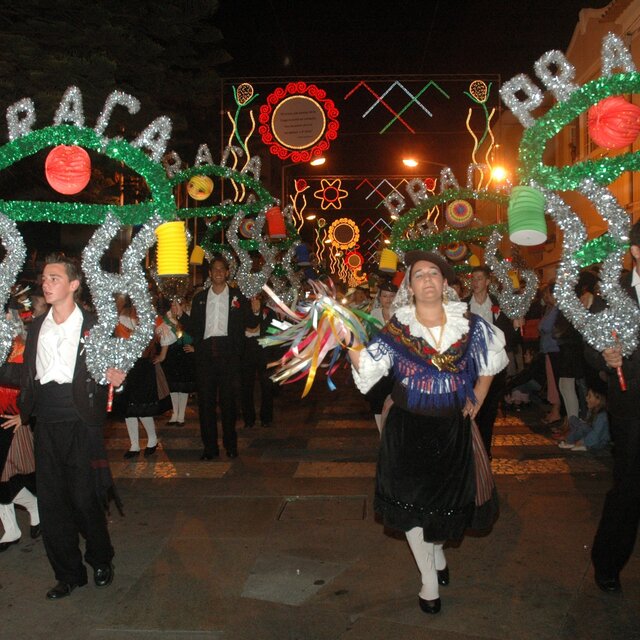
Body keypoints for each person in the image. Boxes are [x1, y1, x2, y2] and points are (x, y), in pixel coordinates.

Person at [348, 251, 507, 614]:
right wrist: (348, 341)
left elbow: (491, 360)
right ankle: (428, 579)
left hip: (451, 427)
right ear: (410, 287)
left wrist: (479, 397)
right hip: (407, 427)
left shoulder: (469, 324)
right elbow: (369, 370)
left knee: (443, 505)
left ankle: (436, 555)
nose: (427, 280)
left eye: (433, 273)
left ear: (445, 283)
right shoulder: (398, 330)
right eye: (418, 275)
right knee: (410, 506)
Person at [2, 254, 126, 600]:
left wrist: (117, 378)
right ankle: (68, 574)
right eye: (44, 278)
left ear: (73, 284)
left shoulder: (94, 325)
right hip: (45, 421)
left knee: (85, 498)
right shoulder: (36, 326)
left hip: (80, 421)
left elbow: (114, 369)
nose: (46, 284)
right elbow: (26, 373)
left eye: (54, 278)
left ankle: (100, 557)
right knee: (52, 502)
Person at [585, 220, 640, 594]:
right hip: (632, 404)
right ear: (636, 251)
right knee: (630, 485)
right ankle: (608, 562)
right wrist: (605, 355)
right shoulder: (614, 293)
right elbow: (590, 346)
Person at [172, 255, 257, 459]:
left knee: (229, 403)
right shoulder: (200, 298)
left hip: (229, 354)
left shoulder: (237, 297)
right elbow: (194, 328)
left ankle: (230, 445)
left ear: (227, 273)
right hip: (205, 354)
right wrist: (181, 315)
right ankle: (210, 448)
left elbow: (251, 323)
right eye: (215, 269)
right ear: (209, 274)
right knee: (206, 404)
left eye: (222, 269)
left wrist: (255, 311)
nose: (218, 272)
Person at [463, 265, 516, 457]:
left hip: (493, 367)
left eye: (479, 278)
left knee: (489, 410)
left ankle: (484, 452)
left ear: (487, 282)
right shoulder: (463, 305)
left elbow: (509, 334)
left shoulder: (499, 304)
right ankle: (469, 450)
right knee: (469, 408)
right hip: (470, 365)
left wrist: (516, 324)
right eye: (473, 278)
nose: (475, 282)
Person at [117, 298, 172, 459]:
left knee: (143, 407)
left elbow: (167, 336)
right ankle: (134, 445)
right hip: (126, 366)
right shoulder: (118, 316)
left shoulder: (150, 315)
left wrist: (162, 355)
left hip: (144, 366)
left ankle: (152, 440)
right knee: (129, 408)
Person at [240, 293, 278, 429]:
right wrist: (246, 329)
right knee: (246, 387)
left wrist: (260, 329)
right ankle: (248, 419)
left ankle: (266, 418)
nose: (254, 299)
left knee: (266, 386)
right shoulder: (241, 310)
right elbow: (235, 328)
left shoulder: (269, 311)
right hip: (246, 352)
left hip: (264, 352)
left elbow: (275, 330)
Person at [366, 281, 398, 432]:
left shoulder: (401, 315)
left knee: (396, 399)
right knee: (378, 399)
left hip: (397, 366)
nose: (388, 299)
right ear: (379, 298)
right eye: (385, 296)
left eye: (392, 296)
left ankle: (393, 431)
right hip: (378, 365)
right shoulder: (373, 314)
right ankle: (382, 431)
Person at [160, 297, 195, 427]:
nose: (174, 308)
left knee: (183, 386)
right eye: (172, 305)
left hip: (184, 353)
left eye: (177, 305)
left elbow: (188, 337)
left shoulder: (187, 318)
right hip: (171, 354)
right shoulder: (166, 319)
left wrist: (177, 326)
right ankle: (174, 413)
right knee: (173, 386)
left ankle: (181, 416)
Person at [558, 385, 609, 451]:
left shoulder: (602, 416)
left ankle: (570, 441)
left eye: (589, 396)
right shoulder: (592, 410)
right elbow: (589, 424)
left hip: (598, 442)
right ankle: (575, 439)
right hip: (590, 436)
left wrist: (583, 441)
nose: (586, 398)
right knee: (572, 419)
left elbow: (596, 434)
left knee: (583, 427)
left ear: (598, 400)